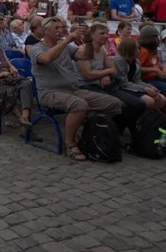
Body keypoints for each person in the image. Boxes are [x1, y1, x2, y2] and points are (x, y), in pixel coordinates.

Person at [28, 18, 122, 160]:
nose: (61, 31)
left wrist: (89, 40)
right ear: (46, 31)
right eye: (57, 28)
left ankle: (89, 132)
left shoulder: (66, 47)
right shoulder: (36, 48)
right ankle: (69, 143)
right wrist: (67, 40)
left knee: (114, 103)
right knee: (79, 105)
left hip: (73, 89)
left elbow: (86, 56)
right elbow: (46, 59)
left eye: (62, 27)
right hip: (50, 93)